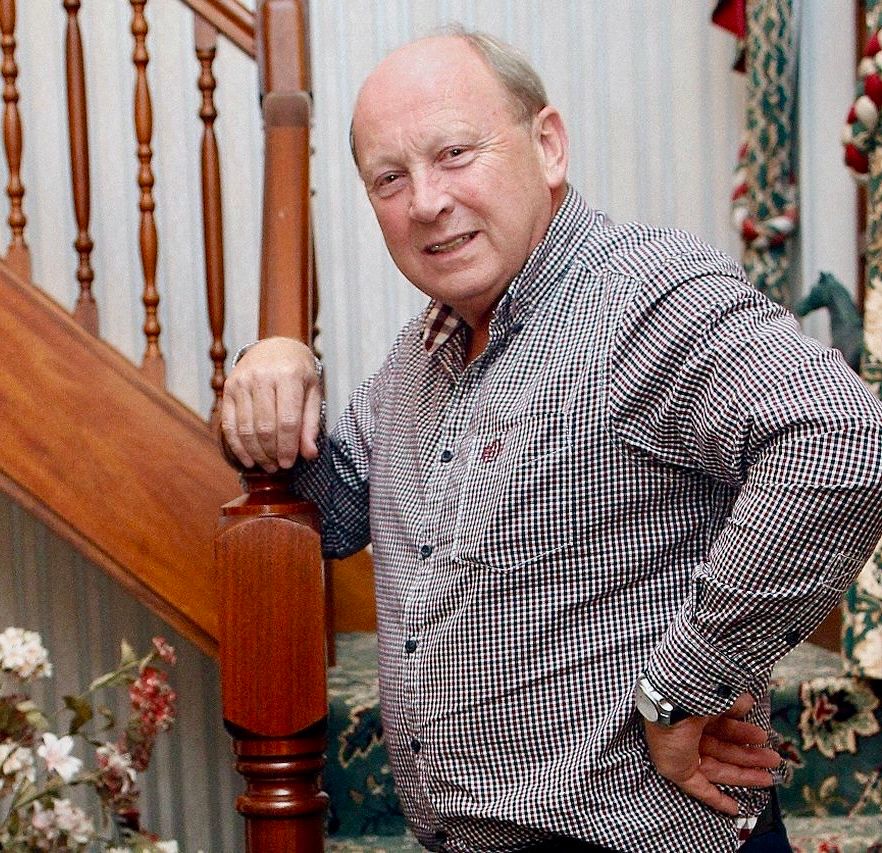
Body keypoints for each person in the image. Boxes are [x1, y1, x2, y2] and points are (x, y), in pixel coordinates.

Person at [221, 27, 882, 853]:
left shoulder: (641, 294)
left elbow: (842, 440)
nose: (425, 201)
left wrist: (684, 687)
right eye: (390, 178)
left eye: (455, 154)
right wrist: (272, 366)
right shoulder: (419, 354)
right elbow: (333, 508)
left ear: (548, 145)